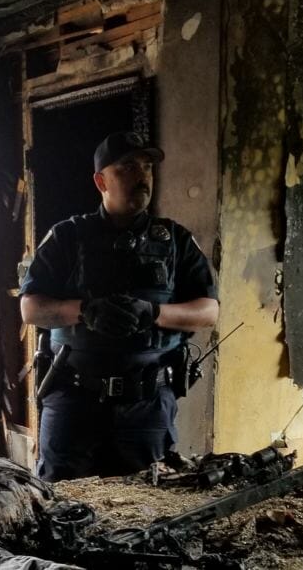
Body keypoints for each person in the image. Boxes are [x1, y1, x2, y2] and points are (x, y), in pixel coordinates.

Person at [19, 131, 219, 482]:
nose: (142, 175)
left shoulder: (175, 241)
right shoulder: (67, 237)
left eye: (147, 167)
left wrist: (155, 313)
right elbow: (31, 309)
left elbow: (209, 311)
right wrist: (86, 310)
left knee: (146, 511)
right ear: (101, 181)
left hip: (147, 405)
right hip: (74, 402)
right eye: (128, 167)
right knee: (63, 507)